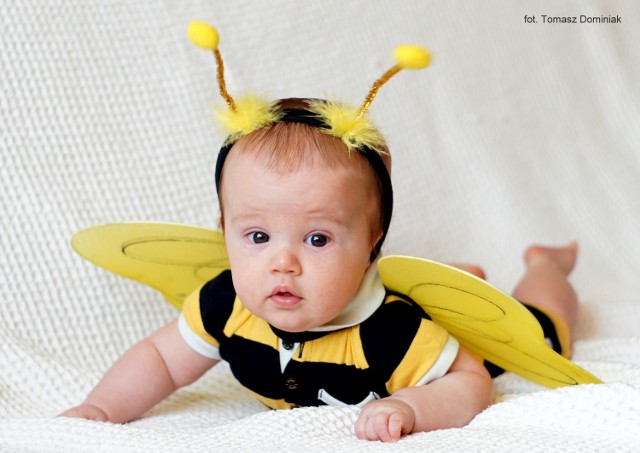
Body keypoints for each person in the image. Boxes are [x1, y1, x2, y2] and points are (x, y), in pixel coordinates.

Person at [61, 96, 580, 442]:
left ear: (372, 246)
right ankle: (456, 272)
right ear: (224, 232)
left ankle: (546, 265)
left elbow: (472, 381)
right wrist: (102, 409)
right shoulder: (224, 303)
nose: (282, 262)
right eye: (257, 236)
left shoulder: (390, 333)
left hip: (473, 343)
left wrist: (415, 409)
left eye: (317, 239)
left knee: (542, 326)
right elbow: (162, 359)